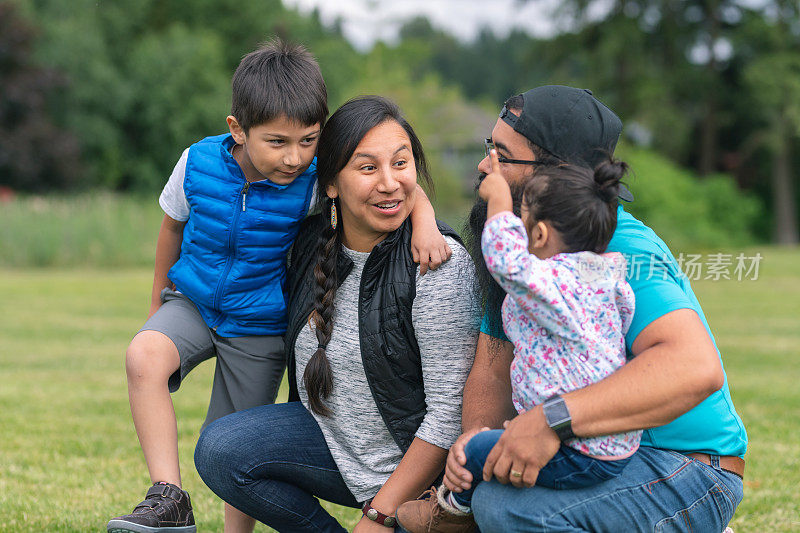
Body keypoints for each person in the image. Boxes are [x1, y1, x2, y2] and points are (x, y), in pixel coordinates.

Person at [107, 44, 451, 533]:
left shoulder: (314, 181)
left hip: (259, 324)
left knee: (229, 441)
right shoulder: (197, 163)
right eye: (277, 142)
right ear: (237, 130)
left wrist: (426, 224)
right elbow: (171, 229)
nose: (294, 157)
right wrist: (156, 302)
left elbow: (396, 185)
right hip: (193, 302)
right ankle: (169, 497)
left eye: (309, 140)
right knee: (143, 355)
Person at [443, 86, 747, 532]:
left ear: (557, 173)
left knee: (506, 508)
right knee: (488, 494)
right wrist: (476, 451)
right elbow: (492, 368)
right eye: (489, 148)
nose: (484, 166)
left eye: (503, 155)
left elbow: (694, 368)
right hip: (593, 453)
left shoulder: (619, 249)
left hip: (687, 467)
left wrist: (552, 421)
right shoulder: (520, 245)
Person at [193, 95, 479, 533]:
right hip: (335, 447)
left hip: (416, 478)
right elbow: (266, 167)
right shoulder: (309, 241)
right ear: (329, 184)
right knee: (220, 449)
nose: (388, 183)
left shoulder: (437, 263)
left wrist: (380, 516)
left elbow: (448, 415)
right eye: (367, 168)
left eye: (400, 164)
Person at [397, 155, 641, 532]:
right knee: (498, 443)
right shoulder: (603, 277)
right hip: (611, 444)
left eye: (520, 216)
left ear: (539, 235)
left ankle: (453, 513)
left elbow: (508, 262)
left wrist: (498, 199)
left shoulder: (556, 283)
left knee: (472, 451)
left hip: (579, 450)